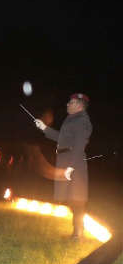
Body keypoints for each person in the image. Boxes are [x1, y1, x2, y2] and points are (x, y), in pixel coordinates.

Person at [34, 93, 92, 239]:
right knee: (72, 197)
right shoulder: (73, 119)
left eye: (71, 102)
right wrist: (44, 128)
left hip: (74, 161)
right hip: (67, 159)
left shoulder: (82, 120)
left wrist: (71, 167)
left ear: (79, 105)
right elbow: (62, 137)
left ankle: (78, 233)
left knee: (77, 197)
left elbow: (80, 143)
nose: (67, 104)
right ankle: (78, 230)